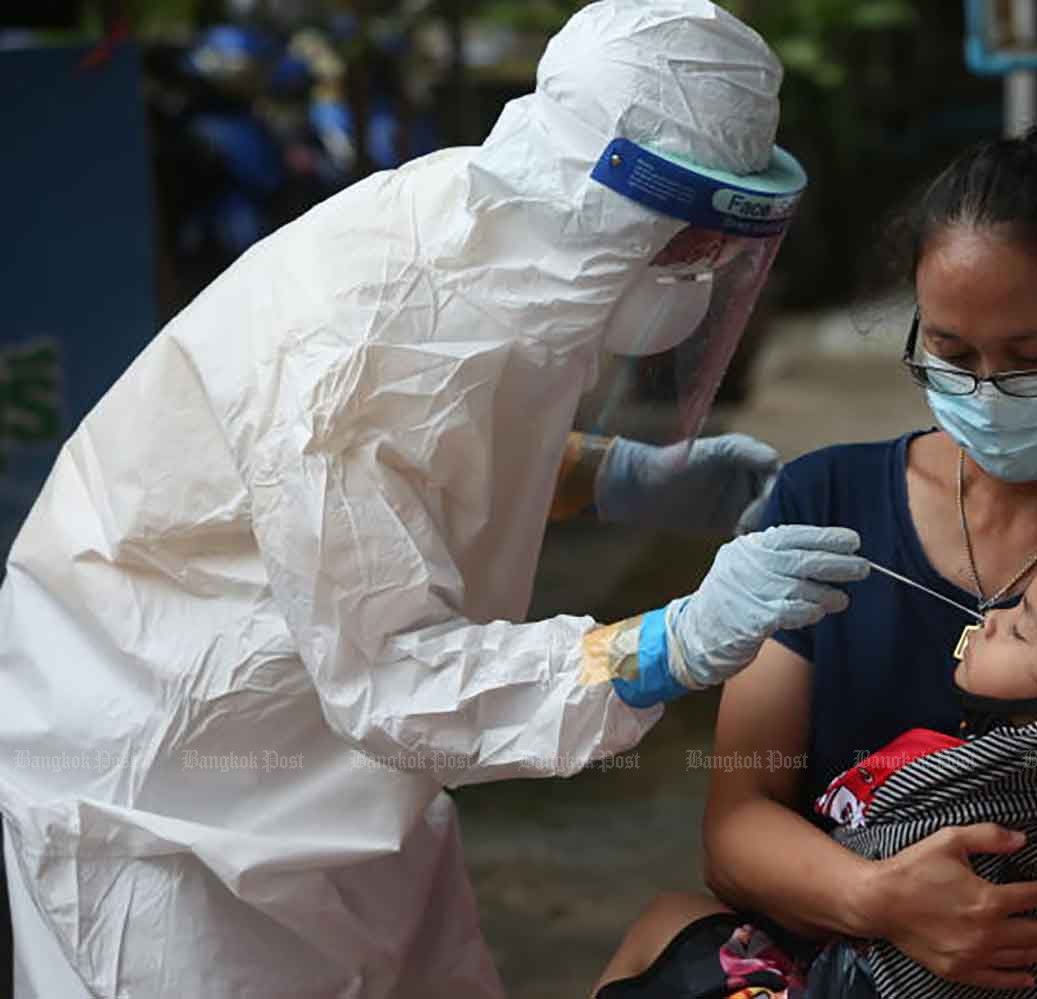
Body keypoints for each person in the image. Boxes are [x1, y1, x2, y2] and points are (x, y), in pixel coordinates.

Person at [0, 3, 872, 997]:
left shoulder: (511, 244)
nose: (709, 266)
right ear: (617, 202)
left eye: (730, 238)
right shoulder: (358, 339)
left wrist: (608, 474)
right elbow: (394, 682)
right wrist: (665, 645)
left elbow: (439, 446)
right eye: (696, 236)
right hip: (161, 792)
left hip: (336, 773)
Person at [601, 110, 1037, 998]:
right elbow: (738, 828)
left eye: (1030, 358)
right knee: (658, 931)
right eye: (949, 351)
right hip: (856, 955)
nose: (984, 391)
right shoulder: (825, 508)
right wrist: (881, 898)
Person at [591, 519, 1037, 999]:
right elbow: (734, 840)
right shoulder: (1036, 781)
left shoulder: (985, 821)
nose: (987, 616)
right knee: (671, 913)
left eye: (1018, 627)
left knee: (664, 923)